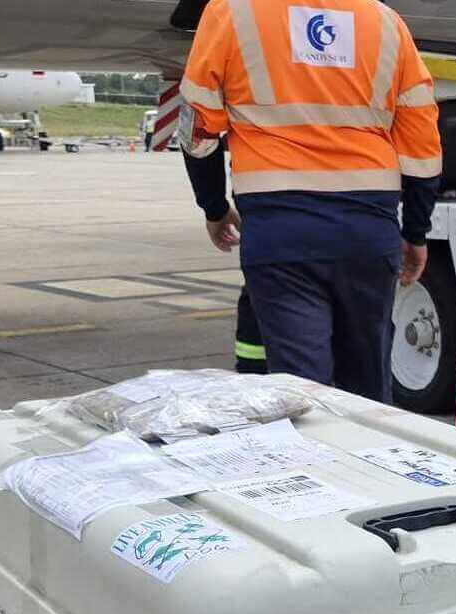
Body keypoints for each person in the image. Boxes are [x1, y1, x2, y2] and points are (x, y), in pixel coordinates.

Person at [178, 0, 442, 402]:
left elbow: (198, 132)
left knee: (303, 395)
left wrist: (213, 207)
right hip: (368, 231)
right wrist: (417, 231)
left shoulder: (232, 13)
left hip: (281, 231)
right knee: (369, 392)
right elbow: (422, 147)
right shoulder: (386, 23)